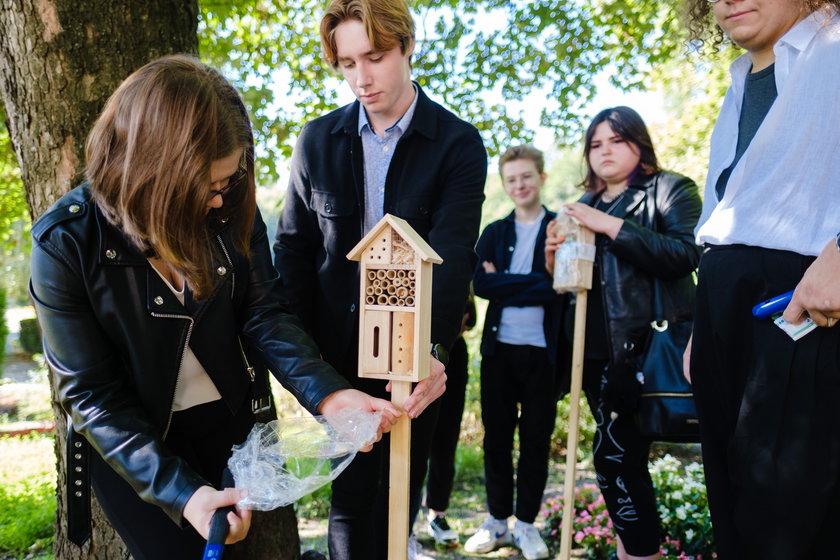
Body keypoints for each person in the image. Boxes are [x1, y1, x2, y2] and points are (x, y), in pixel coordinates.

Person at [28, 55, 398, 560]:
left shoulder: (231, 201)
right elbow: (92, 395)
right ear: (154, 175)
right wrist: (186, 495)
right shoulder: (66, 244)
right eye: (207, 187)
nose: (221, 202)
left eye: (228, 183)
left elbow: (264, 311)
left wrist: (329, 395)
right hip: (135, 446)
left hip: (230, 426)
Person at [272, 0, 487, 558]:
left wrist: (429, 351)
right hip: (336, 355)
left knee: (397, 492)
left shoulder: (458, 144)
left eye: (376, 56)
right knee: (349, 495)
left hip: (418, 352)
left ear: (407, 47)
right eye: (347, 64)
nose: (362, 79)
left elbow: (454, 253)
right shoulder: (315, 140)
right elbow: (293, 253)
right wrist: (306, 373)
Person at [682, 1, 840, 557]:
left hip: (807, 301)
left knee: (795, 519)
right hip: (727, 303)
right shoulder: (741, 75)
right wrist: (706, 325)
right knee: (734, 507)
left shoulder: (836, 47)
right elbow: (733, 209)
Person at [545, 107, 701, 560]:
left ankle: (638, 553)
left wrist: (609, 226)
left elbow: (685, 254)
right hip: (596, 354)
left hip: (653, 350)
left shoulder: (670, 188)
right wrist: (557, 258)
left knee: (619, 458)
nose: (604, 151)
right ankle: (635, 552)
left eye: (616, 140)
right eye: (596, 144)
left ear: (639, 143)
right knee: (616, 459)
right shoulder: (585, 206)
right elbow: (574, 284)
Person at [468, 145, 563, 560]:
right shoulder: (494, 233)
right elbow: (482, 287)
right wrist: (536, 282)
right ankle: (496, 522)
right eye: (511, 179)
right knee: (497, 440)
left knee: (536, 441)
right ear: (504, 185)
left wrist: (506, 281)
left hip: (544, 354)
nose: (519, 185)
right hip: (500, 352)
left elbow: (561, 288)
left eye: (526, 176)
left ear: (541, 178)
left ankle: (526, 525)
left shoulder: (561, 230)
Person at [422, 290, 476, 548]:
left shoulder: (456, 263)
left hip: (454, 354)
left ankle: (438, 513)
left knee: (446, 440)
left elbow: (469, 316)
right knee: (416, 442)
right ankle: (405, 521)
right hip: (416, 354)